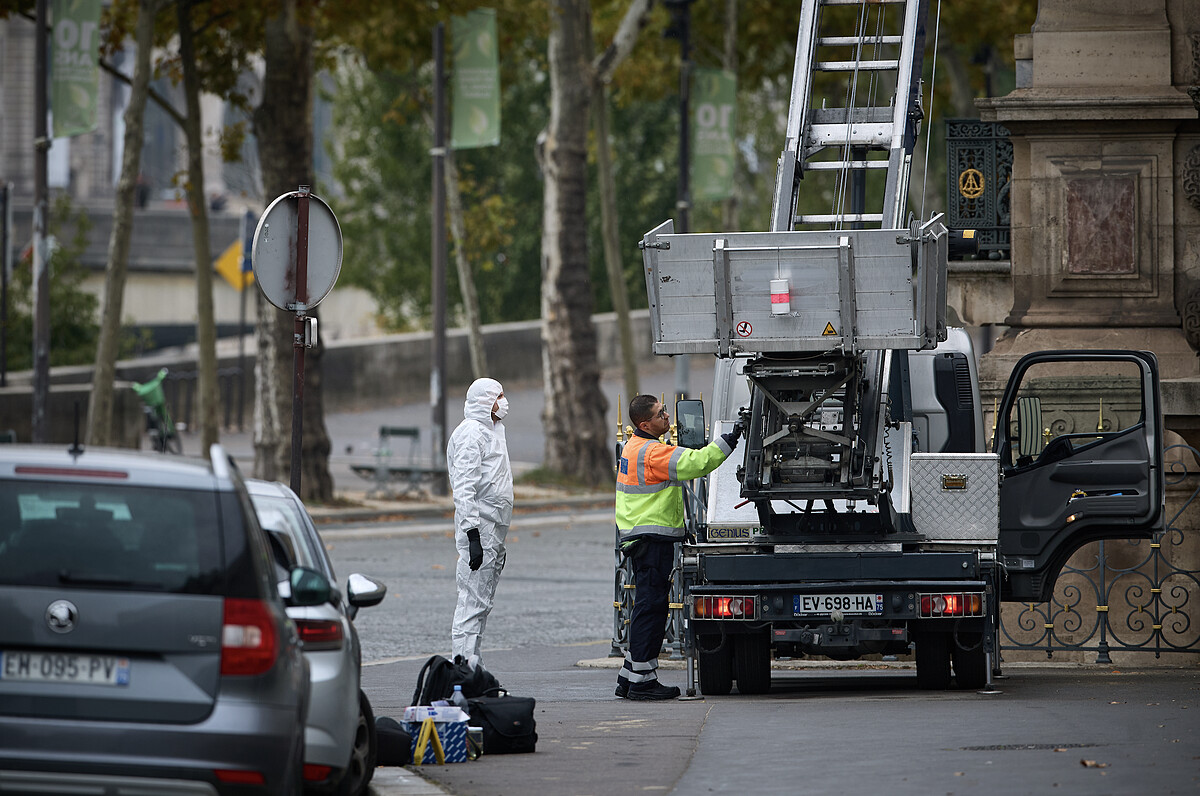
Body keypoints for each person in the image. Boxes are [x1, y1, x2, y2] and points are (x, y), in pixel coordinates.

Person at [615, 394, 744, 700]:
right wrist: (730, 438)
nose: (668, 418)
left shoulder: (636, 446)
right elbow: (696, 463)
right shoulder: (652, 452)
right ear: (645, 423)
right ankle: (643, 682)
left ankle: (629, 675)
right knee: (652, 608)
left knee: (646, 606)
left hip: (642, 537)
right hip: (652, 539)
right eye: (661, 415)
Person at [446, 377, 513, 666]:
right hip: (481, 530)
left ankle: (474, 667)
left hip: (493, 530)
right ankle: (462, 669)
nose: (504, 402)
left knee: (481, 603)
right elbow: (464, 487)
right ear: (485, 401)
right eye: (498, 397)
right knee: (471, 603)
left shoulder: (493, 431)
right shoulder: (472, 434)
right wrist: (473, 534)